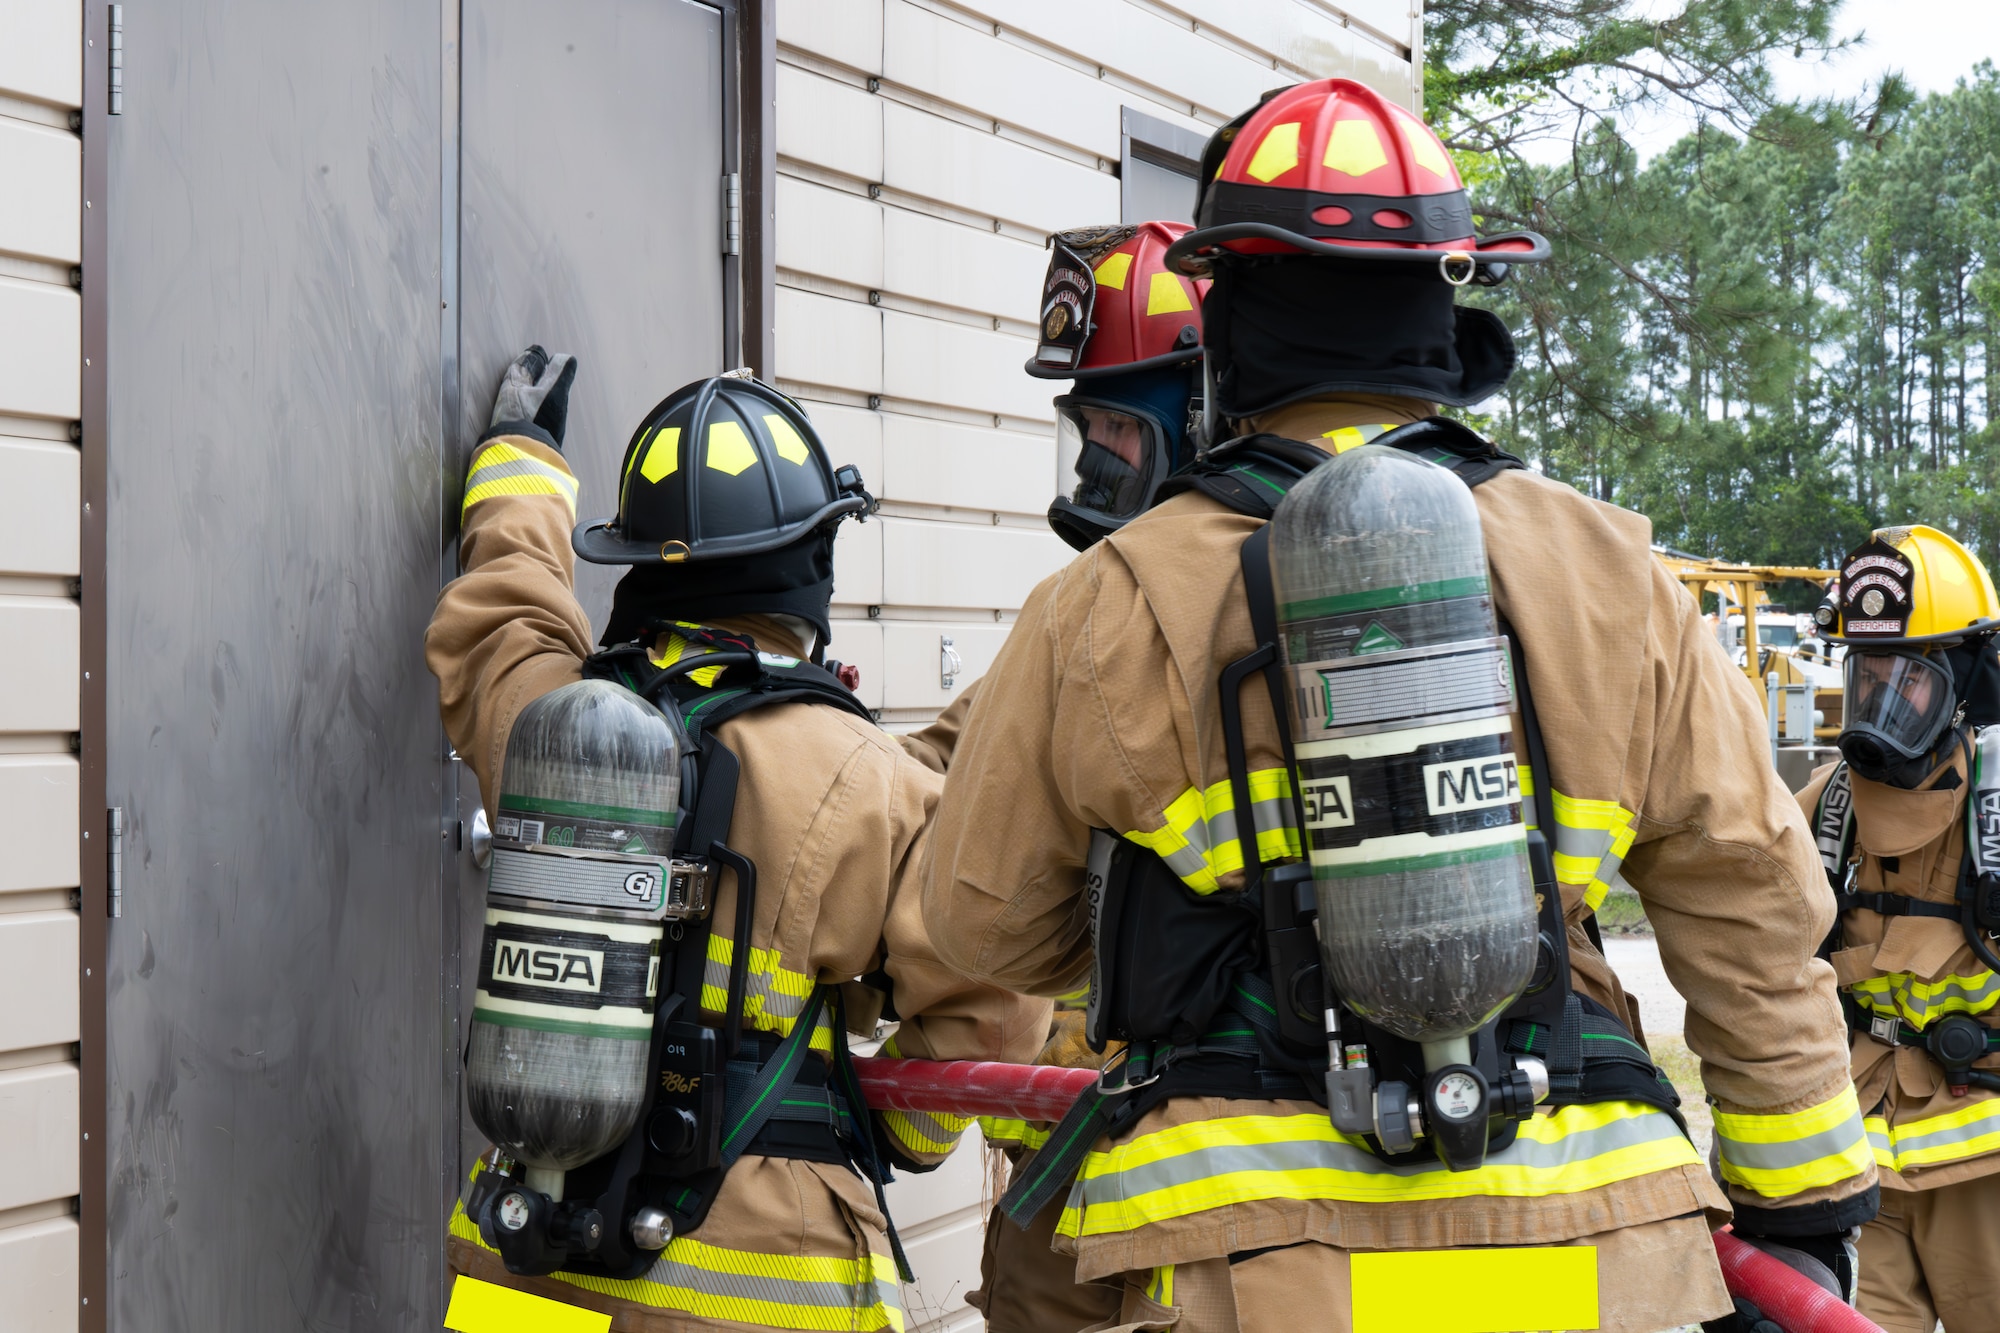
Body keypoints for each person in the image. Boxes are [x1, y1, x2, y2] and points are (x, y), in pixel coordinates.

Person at [920, 79, 1875, 1333]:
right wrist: (1799, 1216)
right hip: (1587, 1234)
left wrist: (1165, 916)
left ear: (1229, 327)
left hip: (1246, 1247)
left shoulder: (1107, 599)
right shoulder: (1610, 571)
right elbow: (1751, 905)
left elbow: (978, 924)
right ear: (1443, 311)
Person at [427, 350, 1047, 1331]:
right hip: (761, 1279)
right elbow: (998, 993)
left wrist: (523, 458)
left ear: (637, 561)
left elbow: (505, 613)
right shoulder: (867, 778)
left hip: (533, 1258)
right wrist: (904, 1132)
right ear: (806, 564)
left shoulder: (555, 730)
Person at [954, 222, 1217, 1333]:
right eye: (1085, 421)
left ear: (1194, 417)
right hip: (1074, 1177)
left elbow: (982, 915)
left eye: (1116, 421)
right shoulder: (1087, 616)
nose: (1093, 453)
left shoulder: (1266, 607)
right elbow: (958, 760)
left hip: (1187, 1176)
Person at [1799, 526, 2000, 1333]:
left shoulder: (1996, 814)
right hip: (1860, 1162)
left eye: (1907, 678)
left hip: (1983, 1167)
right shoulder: (1823, 808)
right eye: (1868, 674)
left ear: (1962, 680)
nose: (1881, 702)